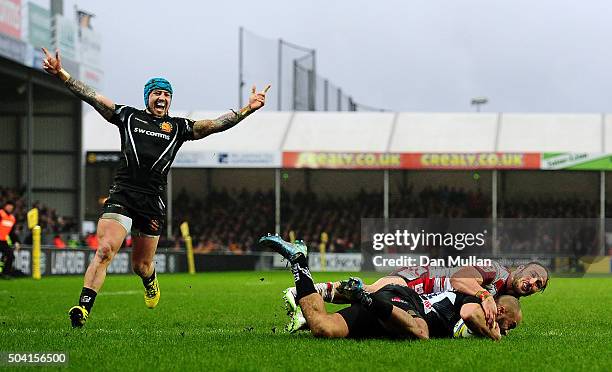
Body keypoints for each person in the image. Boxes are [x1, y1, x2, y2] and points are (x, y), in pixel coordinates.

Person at [41, 48, 270, 328]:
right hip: (122, 195)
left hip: (152, 203)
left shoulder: (177, 128)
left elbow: (214, 125)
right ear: (147, 97)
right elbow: (91, 95)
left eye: (166, 94)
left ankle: (150, 280)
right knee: (105, 250)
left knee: (141, 265)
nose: (161, 97)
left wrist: (247, 109)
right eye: (156, 93)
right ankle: (83, 307)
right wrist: (62, 74)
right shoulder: (127, 117)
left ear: (170, 100)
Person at [260, 235, 521, 340]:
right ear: (499, 309)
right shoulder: (472, 298)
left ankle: (299, 265)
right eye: (513, 323)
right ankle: (367, 297)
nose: (510, 328)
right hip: (405, 303)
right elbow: (470, 315)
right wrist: (496, 337)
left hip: (387, 319)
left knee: (323, 328)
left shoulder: (484, 301)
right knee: (421, 332)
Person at [0, 201, 21, 278]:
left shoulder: (12, 218)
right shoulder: (1, 213)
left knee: (11, 255)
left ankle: (5, 273)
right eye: (8, 206)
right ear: (5, 206)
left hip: (2, 241)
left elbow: (11, 233)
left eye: (11, 206)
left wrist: (16, 242)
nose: (10, 207)